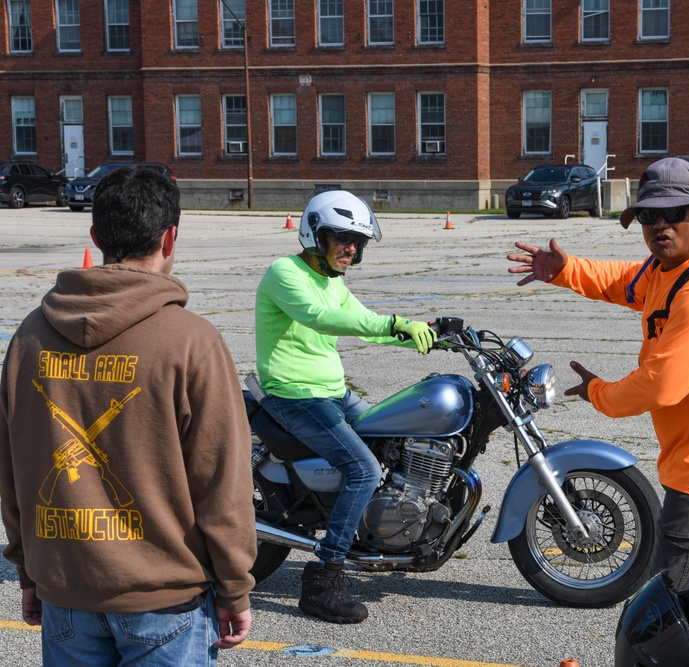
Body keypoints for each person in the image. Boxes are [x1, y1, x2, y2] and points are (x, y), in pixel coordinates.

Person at [0, 166, 256, 666]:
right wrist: (235, 588)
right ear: (170, 236)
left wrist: (30, 570)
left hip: (66, 591)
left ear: (95, 237)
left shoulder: (29, 337)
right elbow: (224, 479)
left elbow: (12, 471)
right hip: (165, 599)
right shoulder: (192, 342)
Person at [507, 158, 689, 592]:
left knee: (664, 609)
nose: (659, 225)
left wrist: (598, 392)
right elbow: (625, 280)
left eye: (674, 213)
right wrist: (567, 271)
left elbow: (659, 384)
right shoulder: (672, 268)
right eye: (648, 215)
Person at [254, 190, 436, 624]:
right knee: (364, 469)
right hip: (293, 395)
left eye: (358, 242)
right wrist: (393, 324)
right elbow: (321, 317)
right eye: (343, 238)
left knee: (397, 437)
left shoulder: (333, 281)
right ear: (316, 233)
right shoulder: (285, 273)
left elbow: (365, 323)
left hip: (332, 392)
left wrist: (420, 330)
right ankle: (323, 580)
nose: (351, 249)